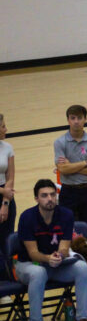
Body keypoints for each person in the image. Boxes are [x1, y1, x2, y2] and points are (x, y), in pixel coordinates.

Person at [16, 179, 87, 321]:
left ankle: (82, 320)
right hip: (29, 265)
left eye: (52, 195)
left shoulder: (65, 214)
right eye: (44, 196)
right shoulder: (27, 217)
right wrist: (47, 259)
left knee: (81, 267)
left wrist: (59, 256)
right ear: (36, 199)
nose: (50, 199)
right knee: (38, 273)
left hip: (56, 265)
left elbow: (65, 248)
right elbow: (32, 253)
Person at [54, 105, 87, 227]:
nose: (76, 121)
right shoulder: (60, 142)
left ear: (85, 119)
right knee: (67, 228)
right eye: (72, 118)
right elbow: (63, 169)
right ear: (68, 120)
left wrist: (71, 167)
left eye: (79, 118)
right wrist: (85, 163)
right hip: (68, 191)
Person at [0, 114, 17, 281]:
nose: (6, 129)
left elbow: (10, 176)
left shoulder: (7, 148)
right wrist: (2, 191)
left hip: (6, 198)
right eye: (3, 126)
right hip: (3, 192)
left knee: (6, 241)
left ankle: (6, 284)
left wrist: (5, 202)